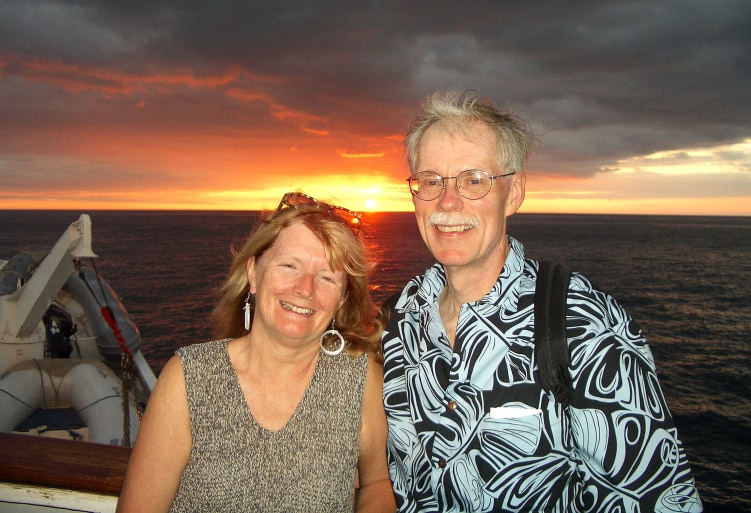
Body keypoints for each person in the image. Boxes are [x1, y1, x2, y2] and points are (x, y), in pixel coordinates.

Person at [382, 90, 703, 512]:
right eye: (430, 181)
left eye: (474, 180)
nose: (447, 201)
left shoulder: (583, 324)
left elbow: (658, 499)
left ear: (513, 194)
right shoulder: (398, 318)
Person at [118, 192, 395, 513]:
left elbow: (379, 482)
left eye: (326, 277)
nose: (305, 289)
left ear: (343, 299)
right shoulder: (190, 378)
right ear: (253, 274)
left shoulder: (359, 378)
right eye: (290, 266)